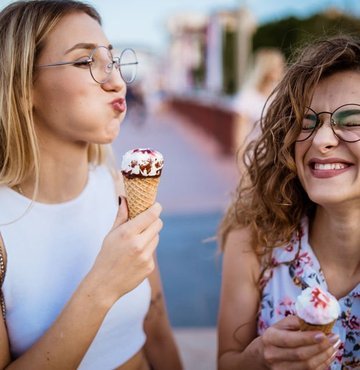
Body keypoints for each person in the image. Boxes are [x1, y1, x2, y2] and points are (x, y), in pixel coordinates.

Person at [0, 1, 182, 369]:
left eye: (112, 60)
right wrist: (103, 286)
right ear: (22, 87)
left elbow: (156, 319)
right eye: (85, 62)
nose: (116, 81)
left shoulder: (119, 188)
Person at [217, 35, 360, 369]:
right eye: (306, 122)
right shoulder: (253, 241)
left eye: (352, 121)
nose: (321, 140)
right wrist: (257, 359)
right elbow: (226, 362)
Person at [232, 48, 285, 150]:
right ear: (268, 68)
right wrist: (242, 164)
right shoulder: (247, 97)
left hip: (275, 160)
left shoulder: (281, 96)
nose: (282, 68)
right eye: (278, 65)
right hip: (253, 158)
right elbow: (239, 138)